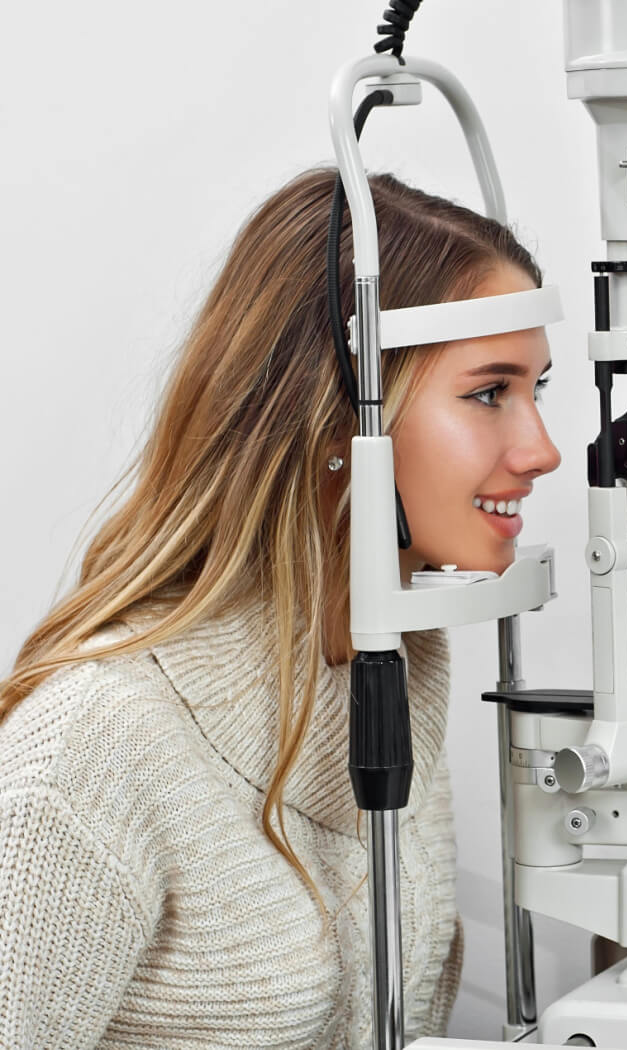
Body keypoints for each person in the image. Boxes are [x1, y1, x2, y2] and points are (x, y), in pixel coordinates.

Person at [0, 169, 561, 1047]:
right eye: (490, 392)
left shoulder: (395, 672)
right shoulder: (95, 744)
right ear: (338, 416)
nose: (542, 449)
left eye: (538, 391)